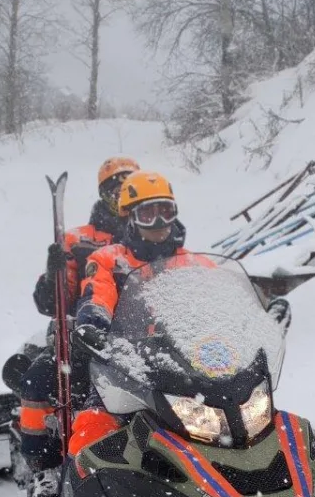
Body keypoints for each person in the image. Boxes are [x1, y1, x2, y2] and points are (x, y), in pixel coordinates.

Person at [18, 156, 140, 497]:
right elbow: (49, 301)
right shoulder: (78, 239)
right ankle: (43, 467)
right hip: (81, 333)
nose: (121, 191)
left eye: (128, 183)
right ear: (103, 193)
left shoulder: (148, 234)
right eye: (114, 185)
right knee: (38, 380)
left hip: (137, 338)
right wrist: (53, 272)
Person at [68, 171, 213, 456]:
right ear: (131, 217)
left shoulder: (196, 263)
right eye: (148, 214)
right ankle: (80, 486)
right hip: (125, 365)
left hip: (189, 367)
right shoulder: (110, 260)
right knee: (91, 432)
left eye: (165, 212)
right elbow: (97, 295)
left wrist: (259, 315)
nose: (159, 223)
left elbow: (224, 301)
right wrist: (94, 323)